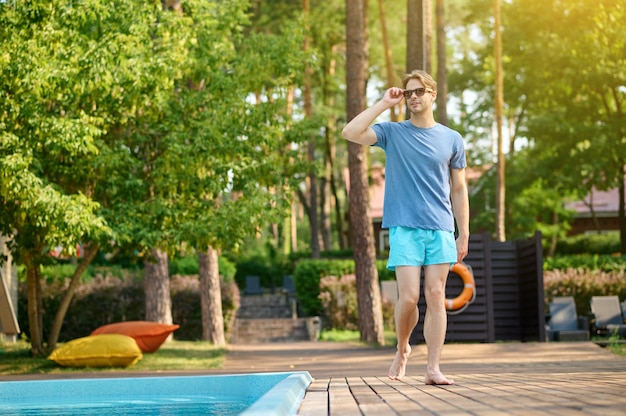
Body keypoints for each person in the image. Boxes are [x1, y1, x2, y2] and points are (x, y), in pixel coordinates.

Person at [342, 69, 469, 385]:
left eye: (419, 91)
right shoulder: (392, 133)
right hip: (404, 227)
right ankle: (402, 349)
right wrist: (384, 103)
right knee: (410, 297)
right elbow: (350, 131)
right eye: (409, 92)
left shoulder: (452, 139)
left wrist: (463, 231)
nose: (413, 96)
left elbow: (459, 189)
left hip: (440, 227)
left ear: (432, 95)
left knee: (436, 294)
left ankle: (433, 368)